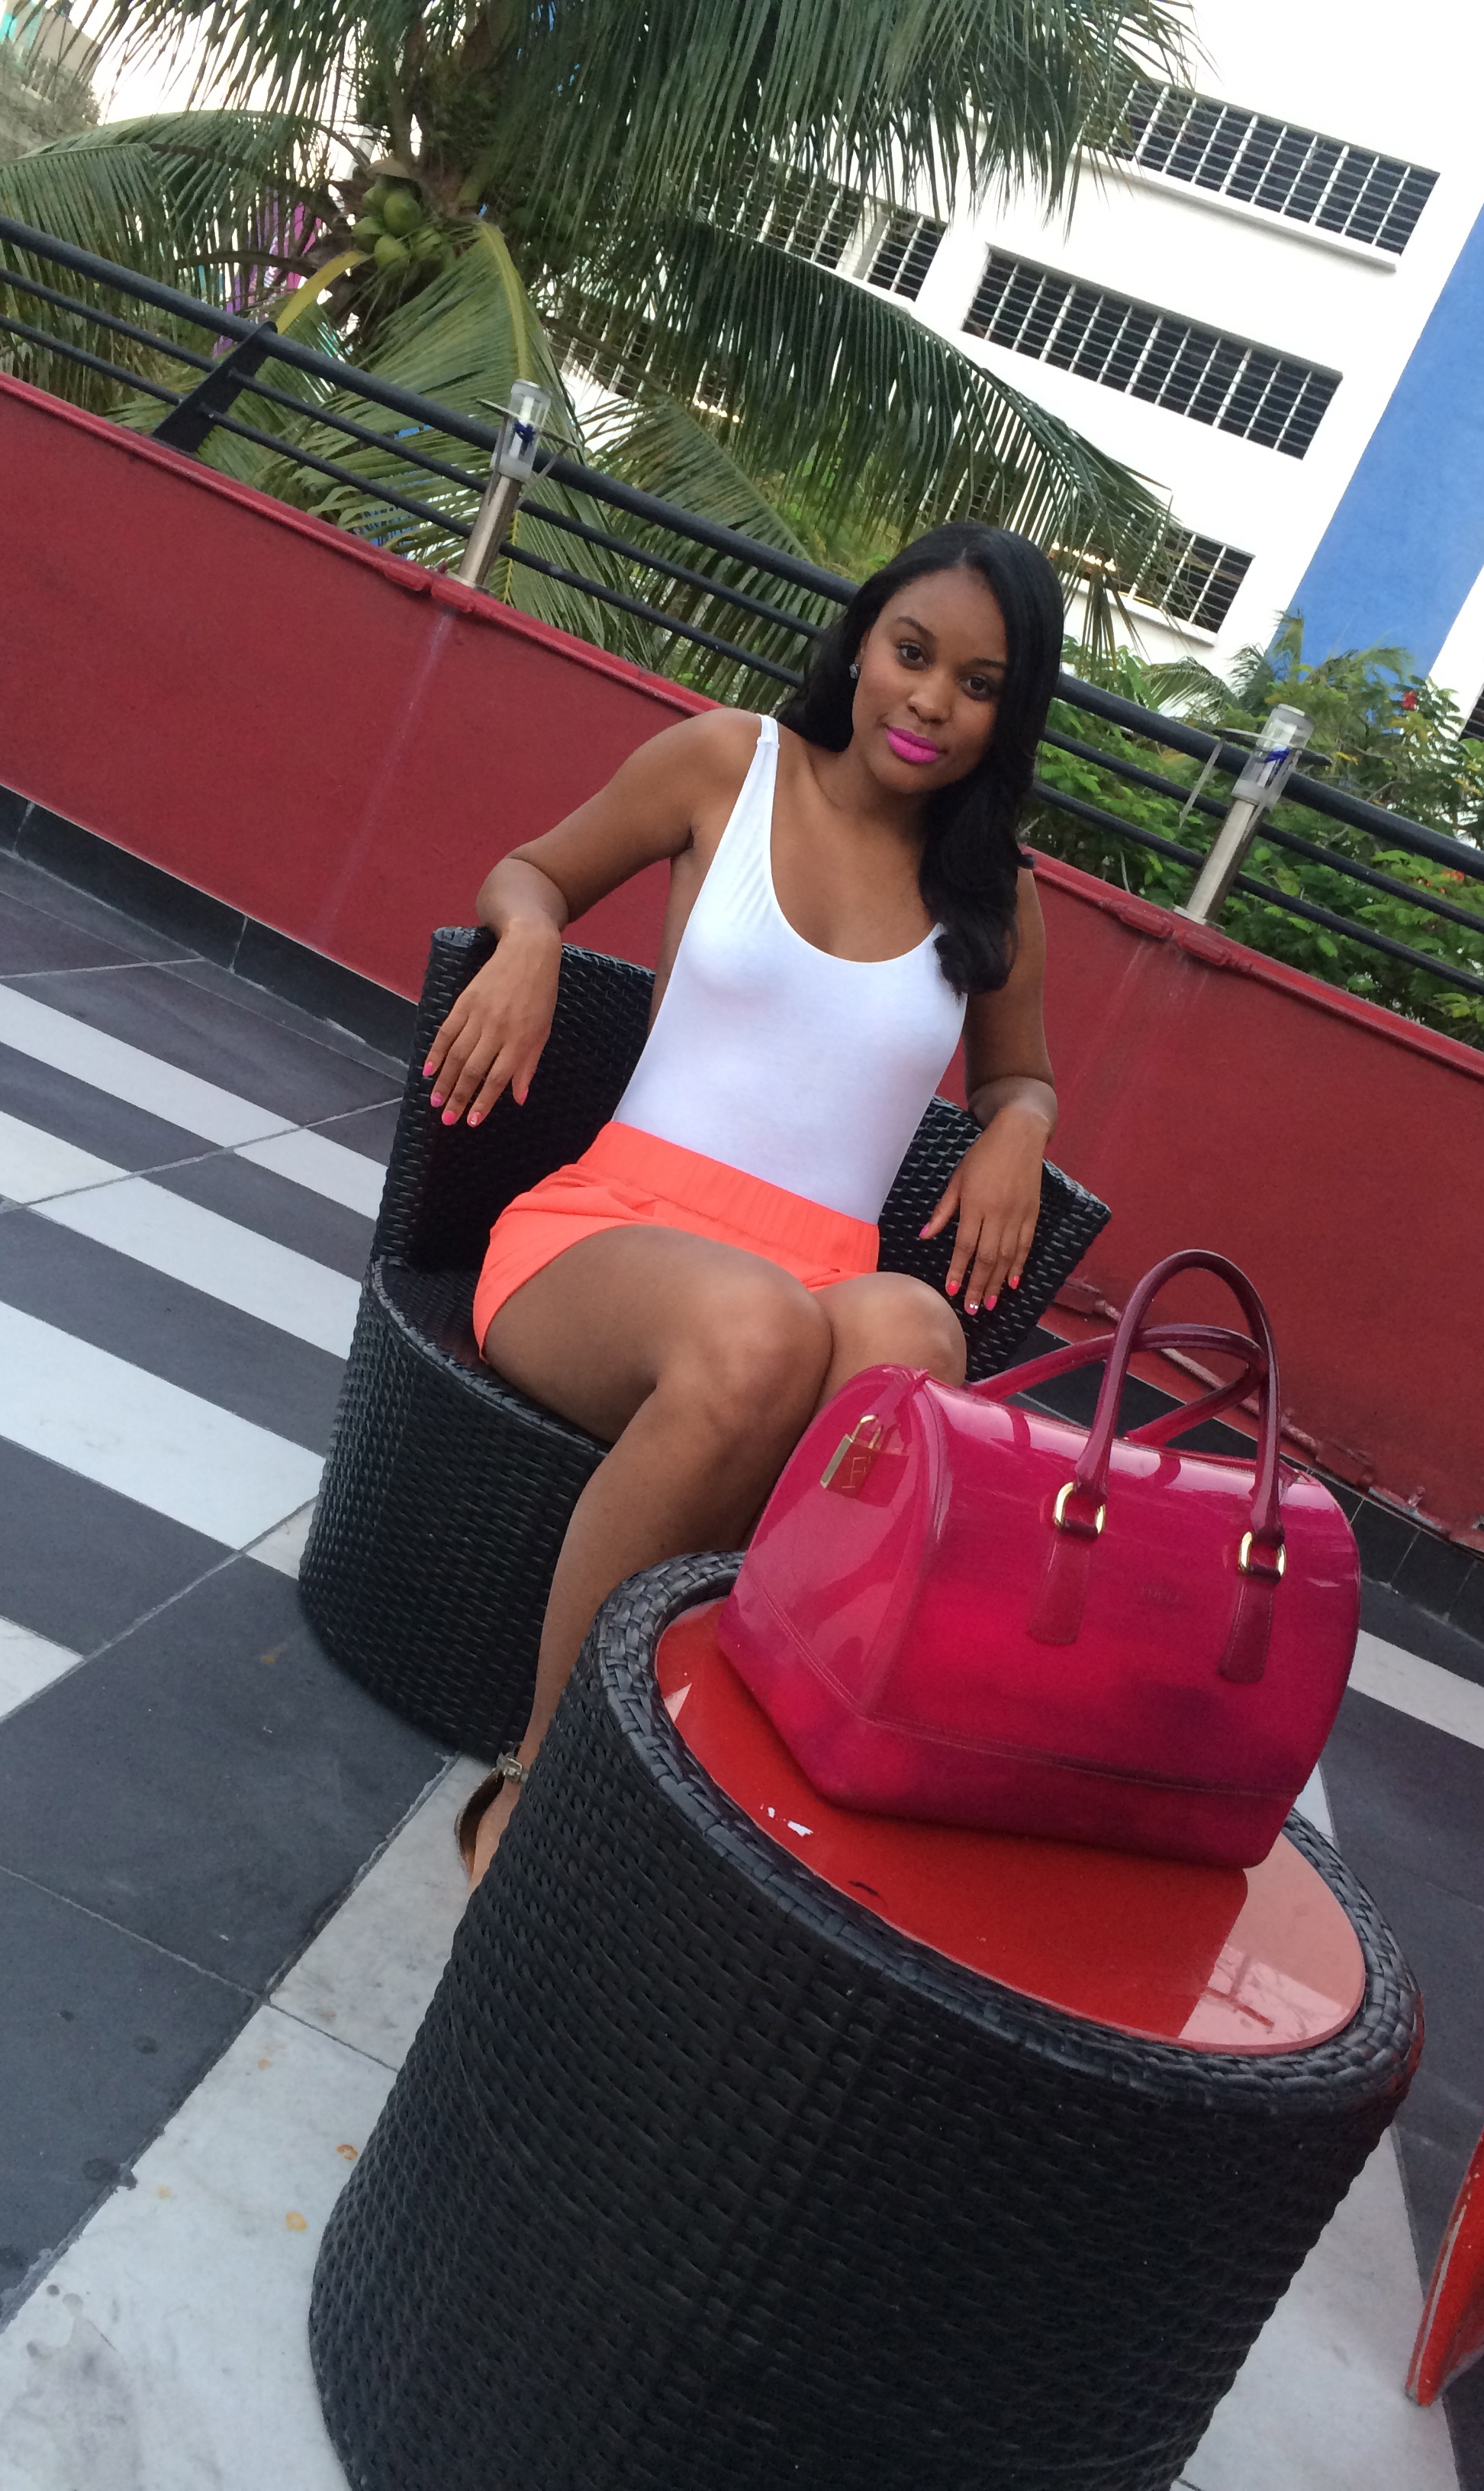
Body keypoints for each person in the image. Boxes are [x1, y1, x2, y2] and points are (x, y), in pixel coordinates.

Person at [427, 522, 1064, 1884]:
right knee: (760, 1335)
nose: (930, 702)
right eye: (912, 653)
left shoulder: (995, 894)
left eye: (978, 685)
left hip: (819, 1276)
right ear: (863, 641)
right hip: (615, 1233)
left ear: (1009, 718)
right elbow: (535, 869)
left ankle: (727, 1782)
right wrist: (531, 938)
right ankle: (541, 1782)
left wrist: (1020, 1123)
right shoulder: (730, 762)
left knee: (916, 1345)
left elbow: (1021, 1075)